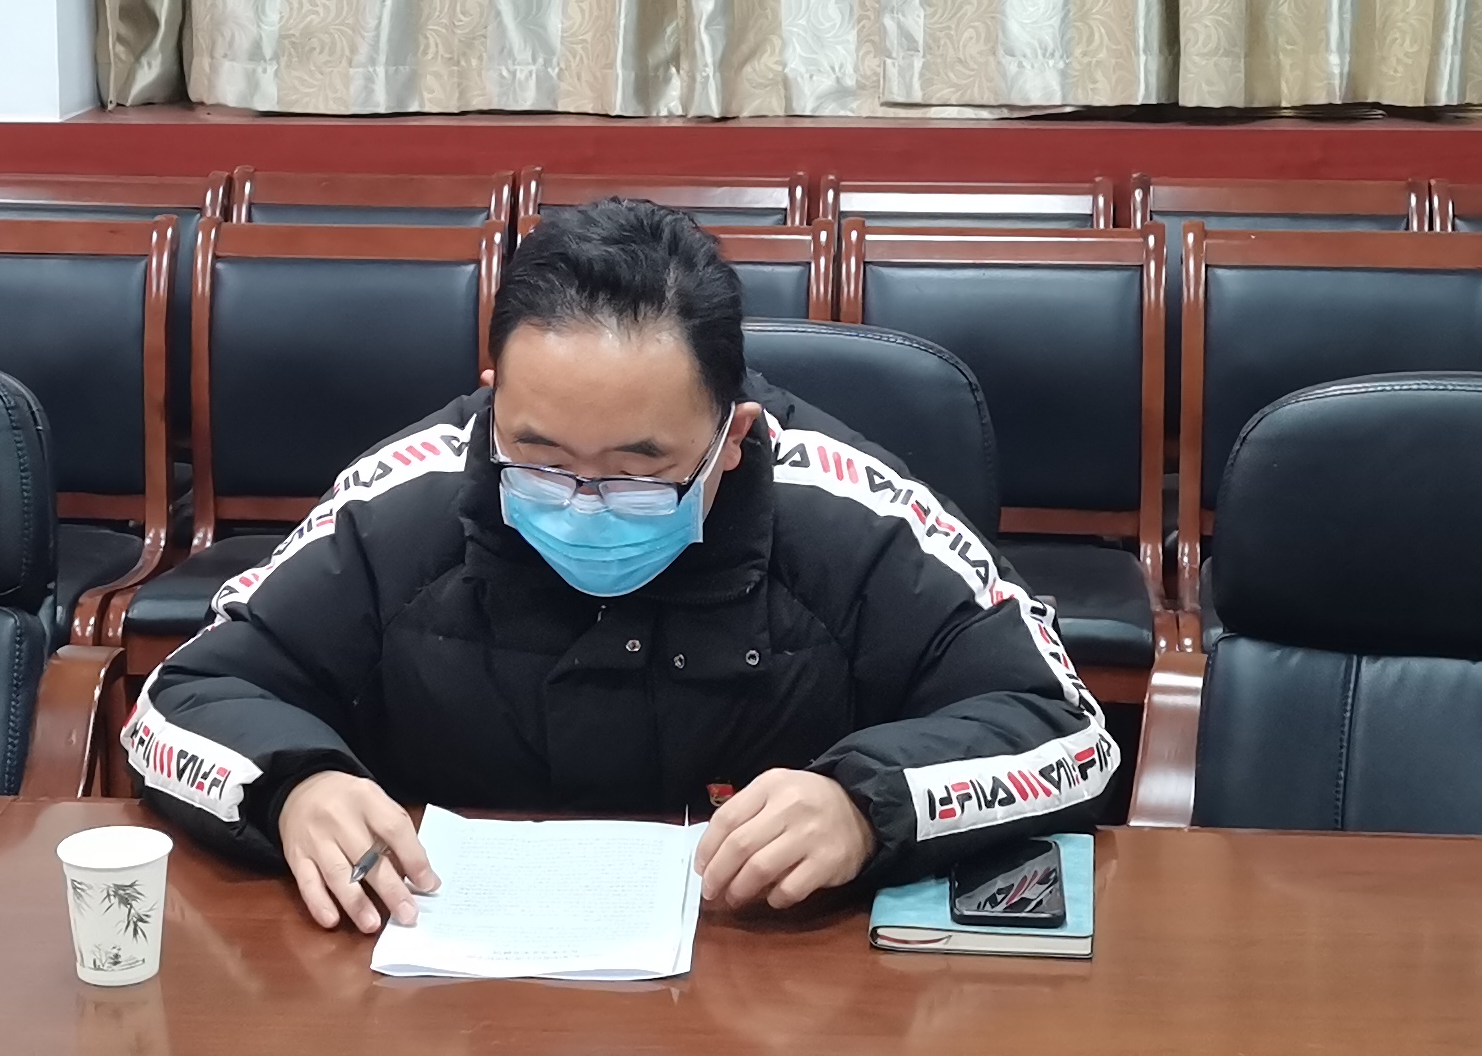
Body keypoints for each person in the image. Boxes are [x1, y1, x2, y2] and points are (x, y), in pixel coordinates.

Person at [121, 196, 1123, 924]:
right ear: (496, 400)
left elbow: (1067, 728)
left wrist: (866, 805)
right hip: (450, 998)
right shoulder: (406, 503)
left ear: (732, 438)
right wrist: (292, 788)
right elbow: (182, 698)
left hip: (772, 1001)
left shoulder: (849, 517)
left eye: (639, 473)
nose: (583, 502)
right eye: (542, 459)